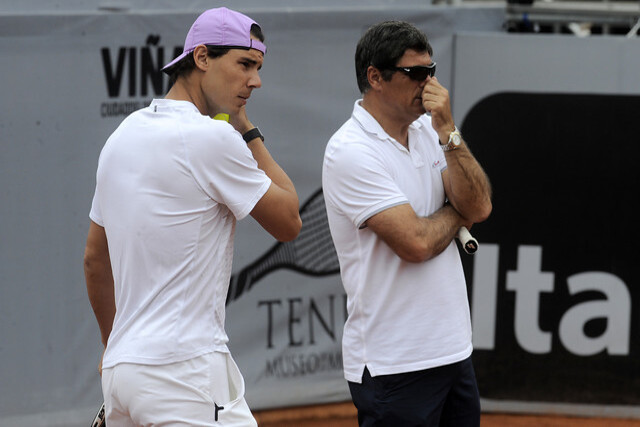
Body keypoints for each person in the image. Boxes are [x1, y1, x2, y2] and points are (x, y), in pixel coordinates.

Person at [84, 7, 301, 426]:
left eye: (257, 67)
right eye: (244, 64)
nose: (255, 80)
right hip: (184, 373)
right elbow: (289, 220)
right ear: (201, 58)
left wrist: (117, 346)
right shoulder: (213, 137)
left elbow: (95, 260)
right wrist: (246, 129)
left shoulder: (121, 136)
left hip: (123, 374)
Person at [322, 20, 492, 426]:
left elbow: (480, 205)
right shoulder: (350, 151)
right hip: (392, 363)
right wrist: (456, 212)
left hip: (453, 351)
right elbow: (415, 244)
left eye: (431, 72)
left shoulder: (431, 130)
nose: (428, 83)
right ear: (375, 77)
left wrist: (449, 131)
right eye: (415, 73)